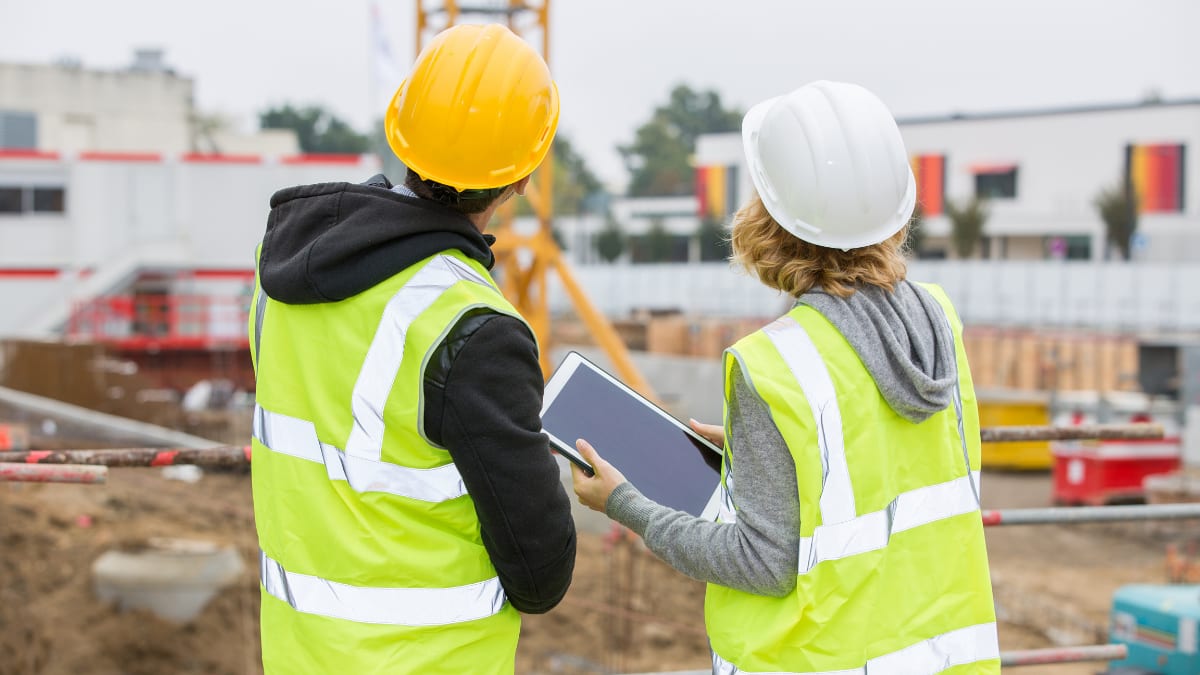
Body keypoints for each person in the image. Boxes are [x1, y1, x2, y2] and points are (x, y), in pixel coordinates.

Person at [572, 80, 1000, 674]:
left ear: (772, 220)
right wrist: (767, 457)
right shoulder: (938, 327)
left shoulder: (774, 365)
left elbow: (763, 563)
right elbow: (880, 470)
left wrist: (627, 505)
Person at [249, 24, 575, 674]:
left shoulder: (277, 273)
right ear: (522, 178)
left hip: (299, 656)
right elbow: (540, 575)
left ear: (402, 129)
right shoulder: (473, 327)